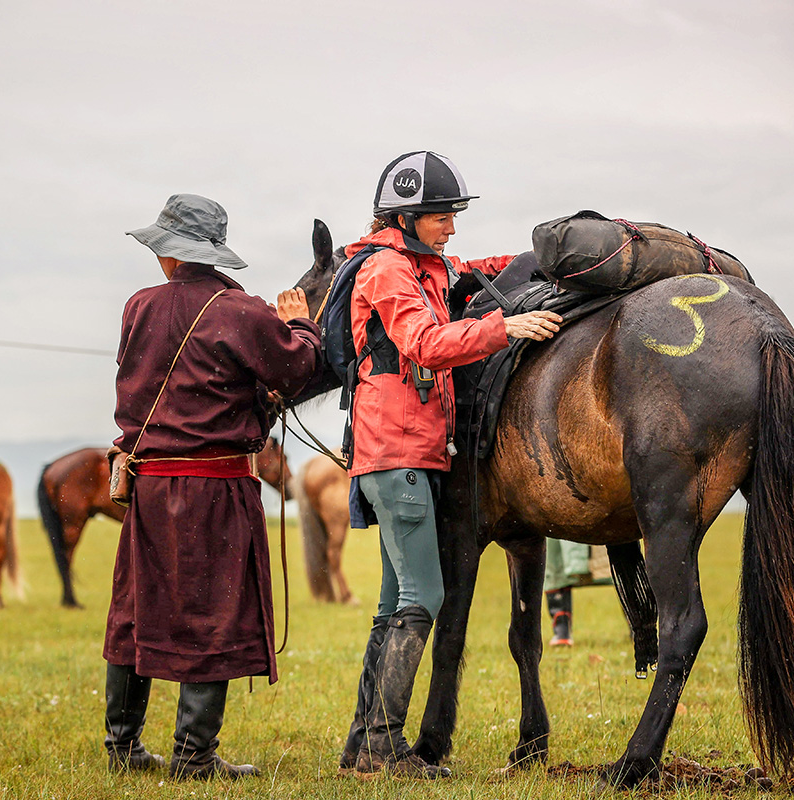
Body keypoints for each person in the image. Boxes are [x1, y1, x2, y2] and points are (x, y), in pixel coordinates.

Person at [338, 151, 563, 779]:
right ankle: (384, 751)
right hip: (398, 455)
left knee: (392, 604)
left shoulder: (426, 267)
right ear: (407, 217)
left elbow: (477, 267)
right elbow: (423, 345)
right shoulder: (386, 270)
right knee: (424, 595)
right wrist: (504, 326)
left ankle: (362, 748)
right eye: (441, 216)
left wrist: (541, 255)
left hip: (403, 455)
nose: (451, 228)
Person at [104, 194, 321, 780]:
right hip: (214, 487)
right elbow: (296, 370)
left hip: (148, 485)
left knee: (135, 609)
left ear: (170, 254)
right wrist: (300, 322)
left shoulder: (137, 306)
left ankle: (122, 750)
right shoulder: (243, 311)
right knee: (214, 613)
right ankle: (193, 758)